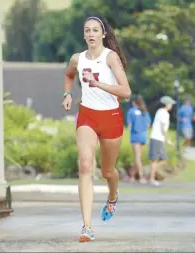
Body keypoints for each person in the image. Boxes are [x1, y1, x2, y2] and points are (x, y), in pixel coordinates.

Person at [61, 15, 131, 243]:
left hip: (110, 118)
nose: (91, 34)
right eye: (87, 30)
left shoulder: (111, 58)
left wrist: (97, 83)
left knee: (107, 172)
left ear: (103, 34)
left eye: (95, 30)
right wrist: (68, 93)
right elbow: (69, 75)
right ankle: (87, 227)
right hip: (87, 116)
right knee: (85, 166)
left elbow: (126, 91)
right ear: (83, 35)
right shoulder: (77, 59)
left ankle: (113, 196)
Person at [148, 96, 175, 186]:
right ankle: (151, 179)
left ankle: (152, 173)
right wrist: (168, 140)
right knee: (155, 160)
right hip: (157, 138)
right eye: (170, 104)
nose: (171, 105)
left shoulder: (160, 112)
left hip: (158, 139)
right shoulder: (164, 113)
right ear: (166, 104)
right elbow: (163, 128)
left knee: (162, 158)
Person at [126, 95, 151, 183]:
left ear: (133, 102)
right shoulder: (144, 111)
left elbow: (129, 125)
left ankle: (141, 176)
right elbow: (148, 125)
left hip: (135, 136)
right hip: (143, 136)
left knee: (137, 158)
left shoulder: (131, 111)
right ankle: (132, 176)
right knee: (137, 157)